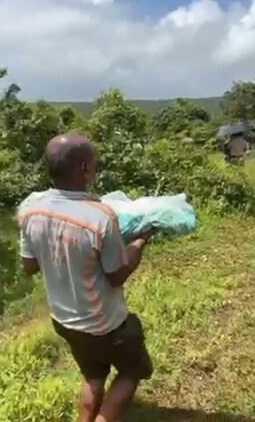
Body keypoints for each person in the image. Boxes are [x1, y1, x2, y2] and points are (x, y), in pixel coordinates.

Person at [17, 132, 154, 422]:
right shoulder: (100, 217)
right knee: (130, 372)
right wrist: (138, 244)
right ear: (84, 169)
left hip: (65, 321)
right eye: (92, 163)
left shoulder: (30, 209)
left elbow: (29, 266)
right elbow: (117, 276)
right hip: (105, 324)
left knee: (93, 376)